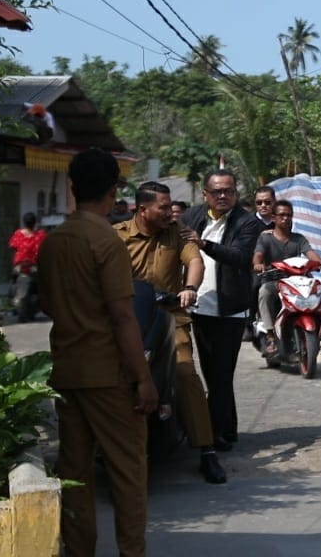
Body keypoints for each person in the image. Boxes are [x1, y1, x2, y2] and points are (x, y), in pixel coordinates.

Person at [37, 148, 158, 557]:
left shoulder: (53, 242)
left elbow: (49, 305)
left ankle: (79, 551)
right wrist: (144, 378)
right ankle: (131, 552)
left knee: (74, 472)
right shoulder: (107, 241)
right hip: (108, 374)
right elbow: (123, 316)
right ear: (113, 190)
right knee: (128, 471)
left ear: (72, 187)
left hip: (67, 370)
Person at [113, 181, 227, 484]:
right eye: (163, 207)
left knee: (186, 374)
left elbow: (195, 261)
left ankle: (206, 450)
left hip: (170, 319)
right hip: (127, 321)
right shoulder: (117, 236)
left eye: (170, 206)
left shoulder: (178, 232)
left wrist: (190, 288)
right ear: (143, 209)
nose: (170, 212)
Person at [180, 169, 261, 450]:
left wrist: (204, 244)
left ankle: (213, 435)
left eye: (229, 191)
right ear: (206, 194)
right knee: (211, 373)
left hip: (230, 310)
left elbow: (240, 257)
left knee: (222, 373)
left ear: (236, 193)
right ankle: (226, 429)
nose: (223, 196)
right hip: (199, 307)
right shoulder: (192, 216)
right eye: (217, 192)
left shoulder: (247, 222)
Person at [252, 199, 321, 355]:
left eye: (289, 215)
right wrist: (258, 264)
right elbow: (258, 255)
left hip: (297, 281)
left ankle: (317, 328)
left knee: (316, 290)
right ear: (273, 217)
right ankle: (270, 335)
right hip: (274, 280)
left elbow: (310, 253)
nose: (285, 218)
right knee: (264, 292)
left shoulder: (298, 238)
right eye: (281, 215)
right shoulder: (265, 238)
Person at [245, 186, 276, 340]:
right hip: (254, 267)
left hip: (279, 267)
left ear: (274, 202)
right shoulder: (247, 222)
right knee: (254, 286)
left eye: (267, 202)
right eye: (259, 202)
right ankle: (249, 324)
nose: (263, 206)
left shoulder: (282, 220)